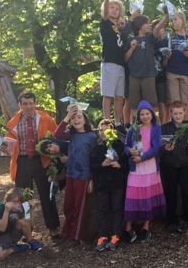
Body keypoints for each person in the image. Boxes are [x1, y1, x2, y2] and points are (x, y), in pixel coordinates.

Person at [4, 91, 61, 240]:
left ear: (35, 104)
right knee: (22, 196)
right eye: (25, 104)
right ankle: (26, 229)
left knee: (47, 194)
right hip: (22, 160)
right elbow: (8, 145)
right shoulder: (13, 123)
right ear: (20, 105)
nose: (28, 106)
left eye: (31, 103)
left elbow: (56, 137)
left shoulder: (45, 118)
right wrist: (4, 147)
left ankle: (53, 227)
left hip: (41, 159)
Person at [54, 105, 97, 248]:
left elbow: (94, 159)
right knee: (68, 206)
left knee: (79, 207)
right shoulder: (71, 135)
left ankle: (75, 237)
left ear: (85, 120)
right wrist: (67, 117)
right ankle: (66, 234)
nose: (76, 120)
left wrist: (91, 179)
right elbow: (57, 134)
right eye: (73, 118)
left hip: (83, 177)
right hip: (71, 175)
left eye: (79, 117)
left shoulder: (92, 137)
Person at [124, 101, 166, 243]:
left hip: (150, 167)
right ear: (138, 116)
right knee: (132, 196)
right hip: (136, 168)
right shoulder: (134, 128)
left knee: (148, 196)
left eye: (147, 113)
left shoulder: (156, 128)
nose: (145, 116)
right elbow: (126, 145)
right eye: (142, 114)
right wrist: (130, 151)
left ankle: (146, 226)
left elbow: (156, 148)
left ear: (152, 114)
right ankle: (128, 227)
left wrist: (142, 158)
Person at [90, 120, 128, 251]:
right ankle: (102, 236)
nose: (103, 133)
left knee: (117, 208)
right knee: (102, 210)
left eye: (106, 130)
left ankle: (116, 235)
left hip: (117, 184)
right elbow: (92, 167)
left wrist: (119, 165)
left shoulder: (120, 146)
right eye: (101, 130)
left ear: (113, 131)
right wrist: (102, 164)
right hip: (102, 185)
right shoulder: (98, 148)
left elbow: (127, 164)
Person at [100, 0, 132, 127]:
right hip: (110, 63)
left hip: (121, 64)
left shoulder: (118, 28)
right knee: (108, 95)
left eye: (117, 8)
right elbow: (106, 13)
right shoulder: (105, 24)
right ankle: (107, 122)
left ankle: (118, 123)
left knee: (119, 96)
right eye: (112, 7)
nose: (114, 10)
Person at [160, 102, 188, 233]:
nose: (178, 116)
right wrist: (165, 149)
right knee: (171, 193)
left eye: (180, 113)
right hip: (169, 165)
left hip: (185, 165)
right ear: (171, 114)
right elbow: (159, 147)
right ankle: (171, 220)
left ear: (184, 113)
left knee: (186, 192)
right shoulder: (164, 128)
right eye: (175, 113)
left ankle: (185, 218)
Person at [156, 11, 188, 111]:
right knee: (174, 102)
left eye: (175, 19)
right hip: (171, 72)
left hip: (185, 73)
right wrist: (166, 56)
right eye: (171, 20)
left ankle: (185, 121)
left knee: (185, 102)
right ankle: (173, 121)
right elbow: (161, 54)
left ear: (182, 20)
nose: (173, 22)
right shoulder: (169, 36)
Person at [0, 188, 42, 261]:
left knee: (23, 221)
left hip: (14, 233)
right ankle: (14, 249)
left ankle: (31, 241)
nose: (18, 205)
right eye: (15, 202)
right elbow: (2, 229)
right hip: (0, 238)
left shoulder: (22, 207)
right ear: (8, 201)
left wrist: (31, 209)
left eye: (20, 203)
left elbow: (31, 224)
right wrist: (6, 211)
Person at [124, 15, 159, 115]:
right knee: (134, 105)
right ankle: (136, 124)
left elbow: (158, 28)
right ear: (139, 25)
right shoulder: (130, 40)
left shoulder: (150, 38)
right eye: (146, 23)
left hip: (148, 76)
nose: (149, 25)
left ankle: (153, 123)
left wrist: (166, 17)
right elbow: (125, 59)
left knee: (152, 105)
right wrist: (132, 48)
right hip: (134, 77)